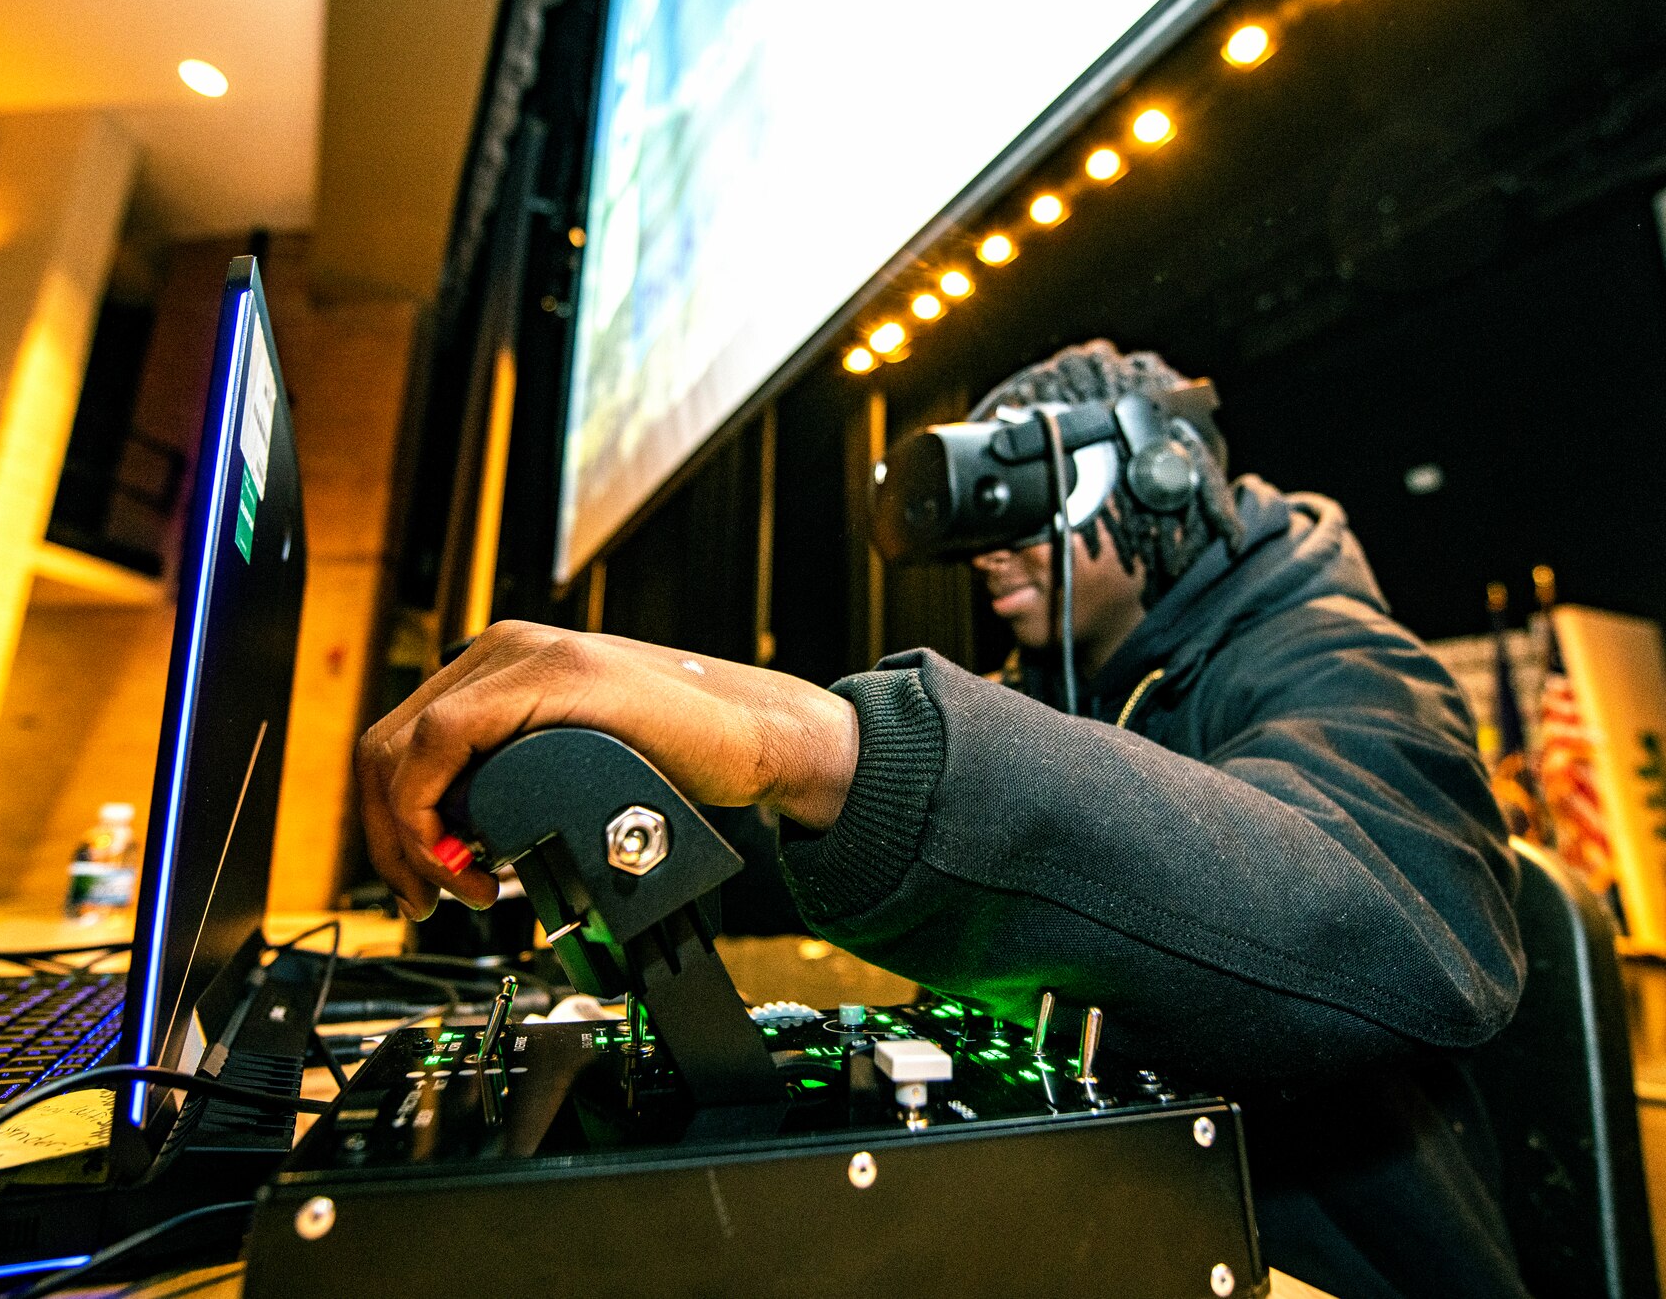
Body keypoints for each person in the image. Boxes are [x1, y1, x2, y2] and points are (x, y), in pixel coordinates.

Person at [356, 341, 1527, 1299]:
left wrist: (816, 741)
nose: (989, 550)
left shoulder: (1342, 658)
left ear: (1162, 479)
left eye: (1030, 500)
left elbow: (1396, 921)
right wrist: (590, 795)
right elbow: (796, 852)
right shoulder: (1066, 690)